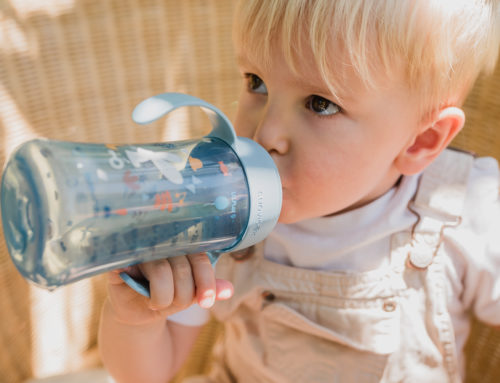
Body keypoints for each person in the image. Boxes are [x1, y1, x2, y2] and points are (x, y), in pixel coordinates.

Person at [98, 0, 500, 382]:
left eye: (320, 104)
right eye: (257, 82)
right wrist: (135, 318)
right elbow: (150, 372)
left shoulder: (463, 207)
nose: (265, 132)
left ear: (420, 141)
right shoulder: (219, 209)